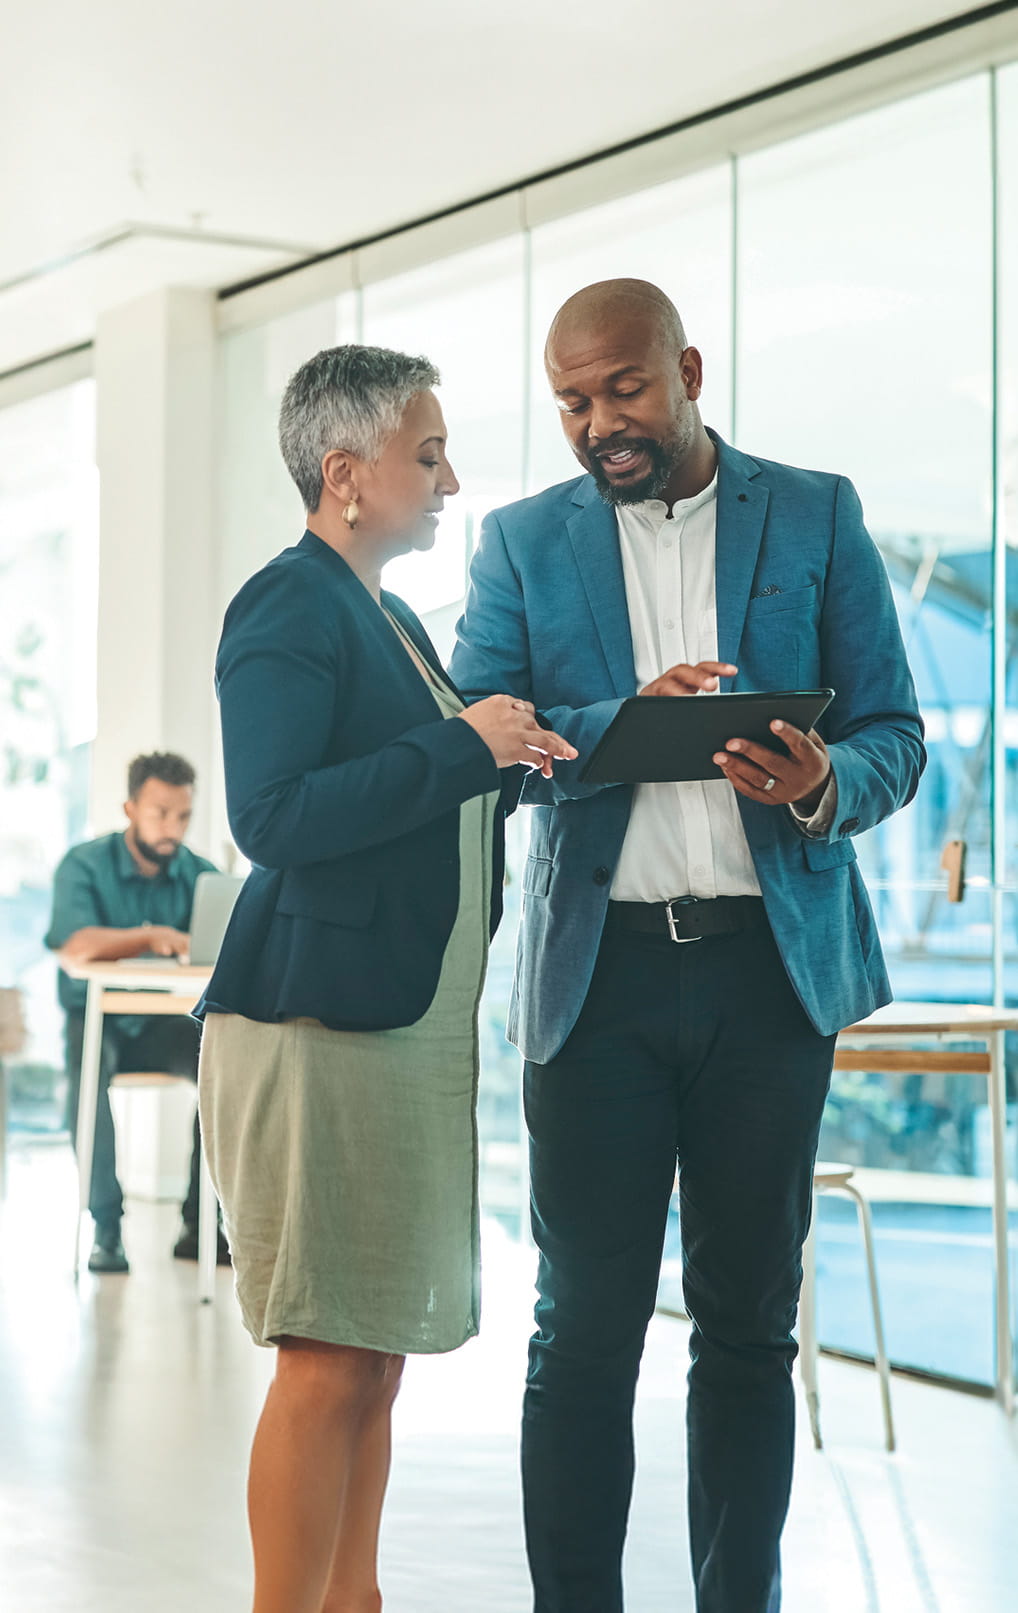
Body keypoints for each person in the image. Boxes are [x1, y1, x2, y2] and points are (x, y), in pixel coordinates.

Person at [449, 279, 926, 1613]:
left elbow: (895, 732)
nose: (597, 421)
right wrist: (615, 723)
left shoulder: (813, 511)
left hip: (766, 980)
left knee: (745, 1336)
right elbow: (487, 739)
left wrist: (821, 777)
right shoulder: (520, 542)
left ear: (690, 370)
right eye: (569, 401)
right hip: (593, 985)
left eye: (622, 389)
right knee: (581, 1334)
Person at [196, 344, 575, 1613]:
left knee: (373, 1356)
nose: (452, 477)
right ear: (345, 475)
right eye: (429, 453)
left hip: (396, 1026)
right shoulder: (288, 605)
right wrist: (461, 747)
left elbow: (428, 790)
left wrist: (527, 756)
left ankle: (352, 1599)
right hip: (316, 1025)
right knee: (323, 1354)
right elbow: (273, 812)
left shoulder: (390, 618)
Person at [45, 751, 225, 1275]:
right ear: (130, 808)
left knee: (223, 1063)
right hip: (94, 1020)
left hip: (159, 1021)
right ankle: (106, 1228)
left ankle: (201, 1224)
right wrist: (150, 936)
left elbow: (227, 948)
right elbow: (75, 947)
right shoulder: (82, 865)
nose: (172, 827)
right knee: (87, 1071)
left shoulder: (201, 876)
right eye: (160, 813)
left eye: (183, 815)